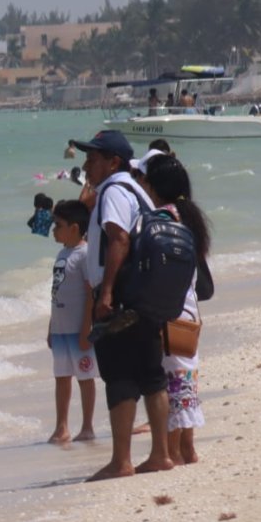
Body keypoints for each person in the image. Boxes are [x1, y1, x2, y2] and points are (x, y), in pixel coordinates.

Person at [73, 129, 172, 481]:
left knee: (119, 376)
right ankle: (160, 454)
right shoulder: (139, 192)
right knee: (151, 373)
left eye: (92, 158)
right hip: (146, 293)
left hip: (123, 295)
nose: (86, 165)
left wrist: (107, 293)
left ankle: (121, 461)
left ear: (113, 161)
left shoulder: (113, 191)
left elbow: (119, 239)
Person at [143, 155, 209, 466]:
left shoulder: (161, 218)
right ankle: (187, 448)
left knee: (170, 378)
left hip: (168, 308)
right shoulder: (189, 216)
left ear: (155, 187)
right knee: (185, 378)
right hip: (189, 309)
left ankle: (171, 450)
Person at [47, 200, 98, 444]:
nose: (53, 230)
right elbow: (55, 292)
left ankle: (87, 426)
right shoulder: (62, 253)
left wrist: (86, 327)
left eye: (58, 225)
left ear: (75, 228)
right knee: (61, 377)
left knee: (85, 377)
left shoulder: (85, 253)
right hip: (59, 328)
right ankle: (61, 426)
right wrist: (50, 327)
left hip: (78, 328)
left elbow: (90, 293)